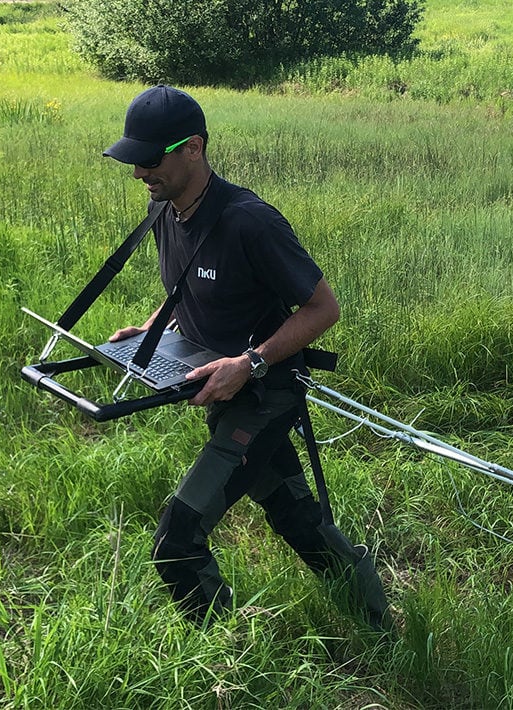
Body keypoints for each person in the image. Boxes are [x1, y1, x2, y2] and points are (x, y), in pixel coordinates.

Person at [102, 85, 390, 631]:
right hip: (220, 385)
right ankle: (378, 625)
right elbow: (190, 286)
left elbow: (323, 308)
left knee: (176, 541)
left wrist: (249, 364)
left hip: (264, 394)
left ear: (194, 148)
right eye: (133, 160)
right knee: (294, 515)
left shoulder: (250, 221)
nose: (140, 173)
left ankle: (226, 666)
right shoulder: (165, 206)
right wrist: (151, 326)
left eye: (150, 159)